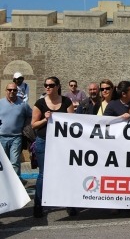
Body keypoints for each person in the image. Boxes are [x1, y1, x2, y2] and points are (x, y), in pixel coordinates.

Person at [31, 76, 74, 218]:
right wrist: (45, 119)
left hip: (62, 143)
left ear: (57, 87)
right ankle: (38, 206)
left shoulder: (66, 101)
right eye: (46, 85)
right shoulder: (40, 103)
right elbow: (34, 124)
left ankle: (70, 204)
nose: (48, 87)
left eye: (51, 85)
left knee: (66, 172)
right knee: (43, 174)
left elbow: (73, 122)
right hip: (44, 141)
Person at [0, 82, 32, 179]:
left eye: (14, 90)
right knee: (2, 162)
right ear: (6, 91)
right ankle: (3, 183)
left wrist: (26, 128)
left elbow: (31, 116)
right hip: (1, 137)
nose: (12, 92)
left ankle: (16, 184)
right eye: (10, 90)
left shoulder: (23, 105)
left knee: (14, 162)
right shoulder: (0, 103)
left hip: (16, 137)